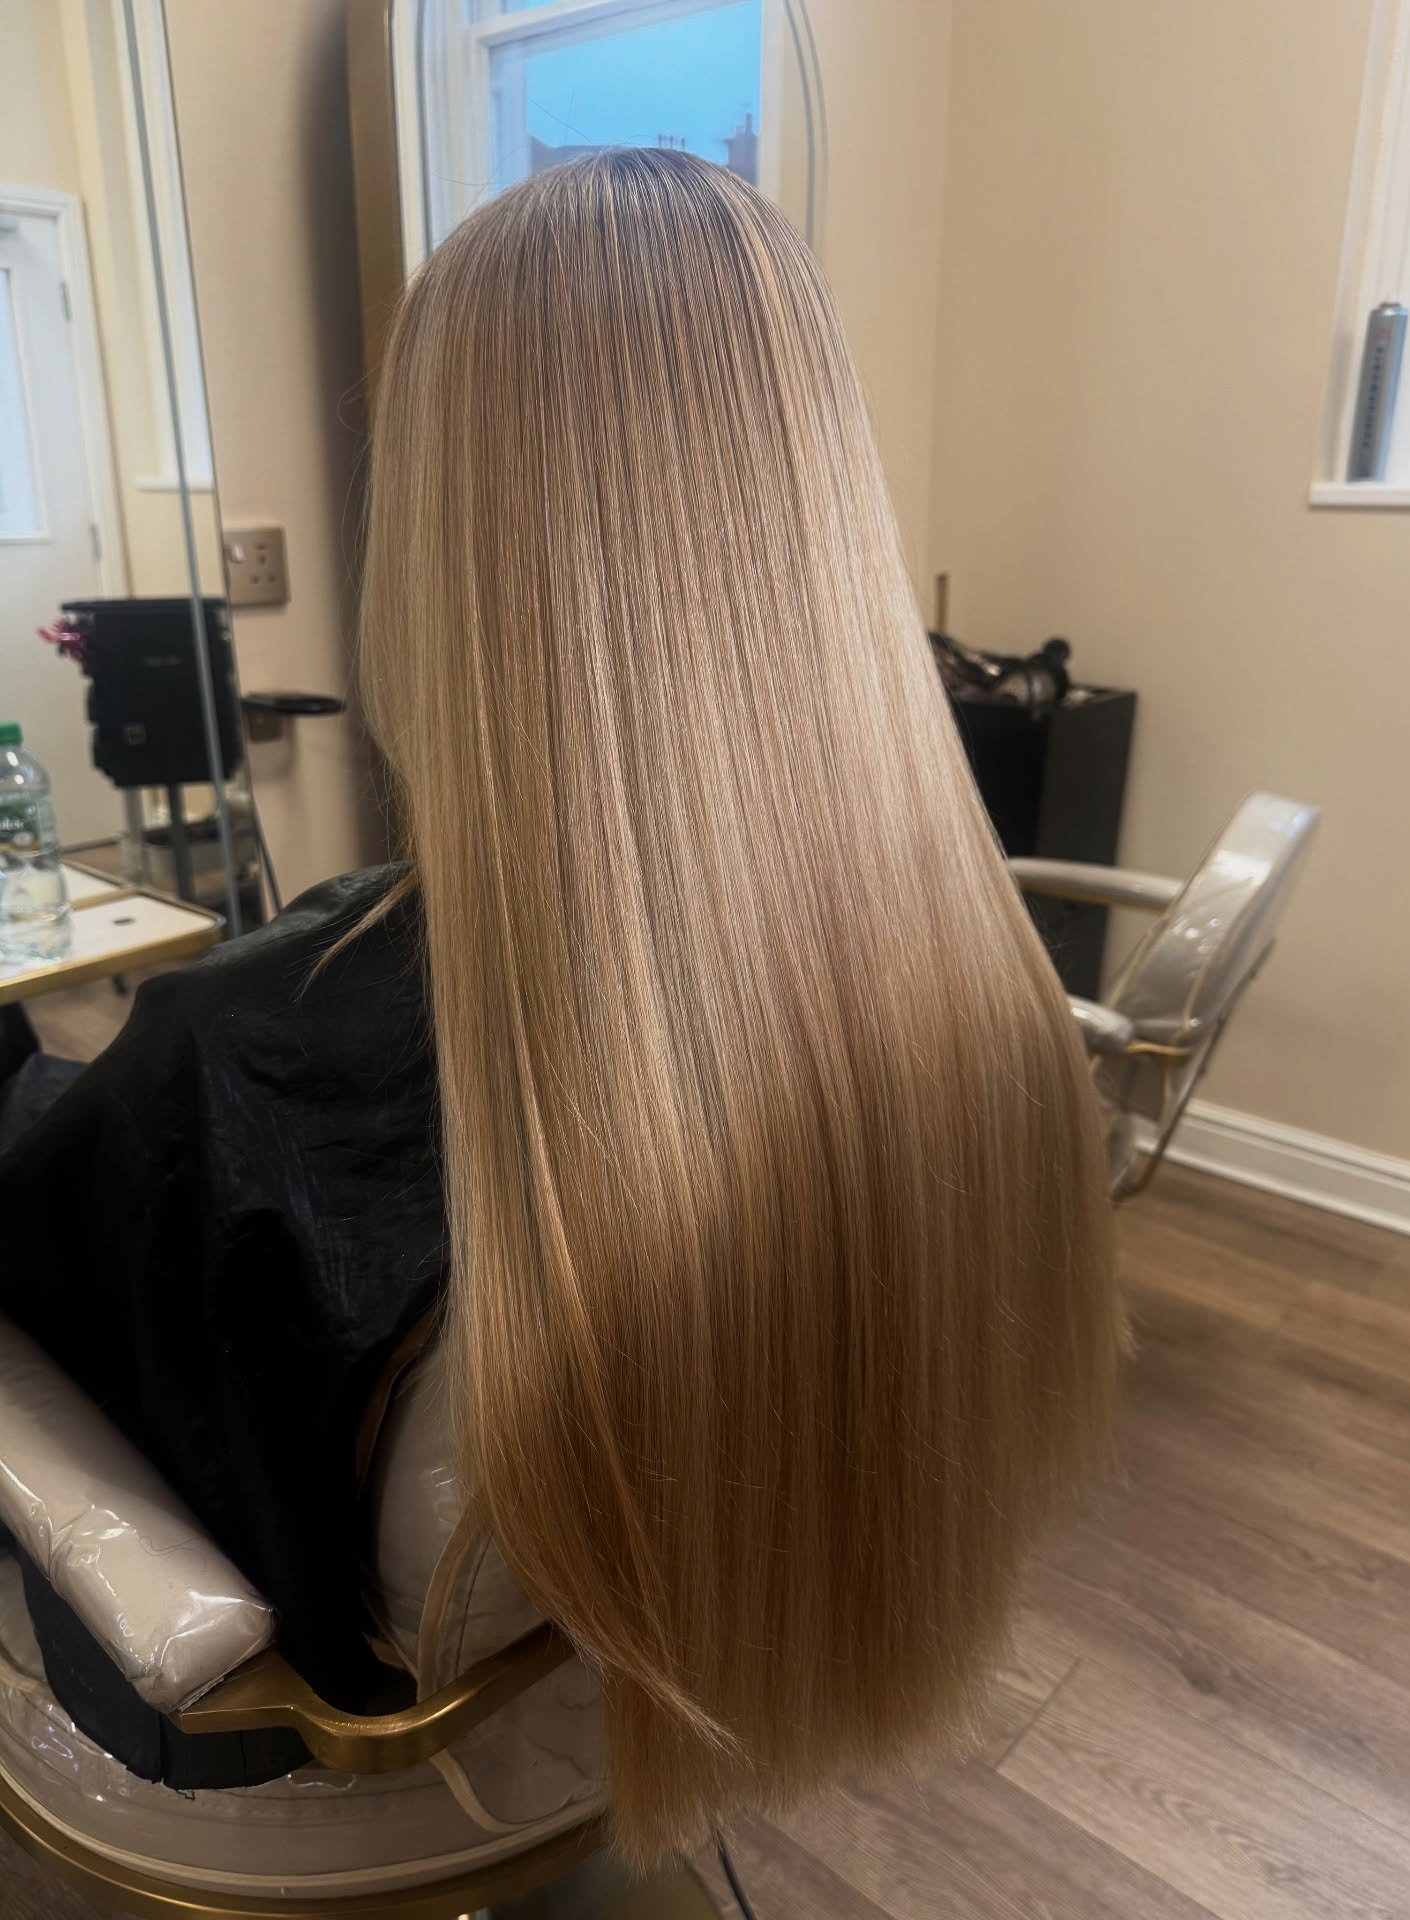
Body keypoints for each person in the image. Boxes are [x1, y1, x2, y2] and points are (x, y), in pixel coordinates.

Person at [0, 148, 1118, 1860]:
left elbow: (60, 1274)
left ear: (441, 535)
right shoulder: (975, 992)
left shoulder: (242, 1057)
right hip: (654, 1660)